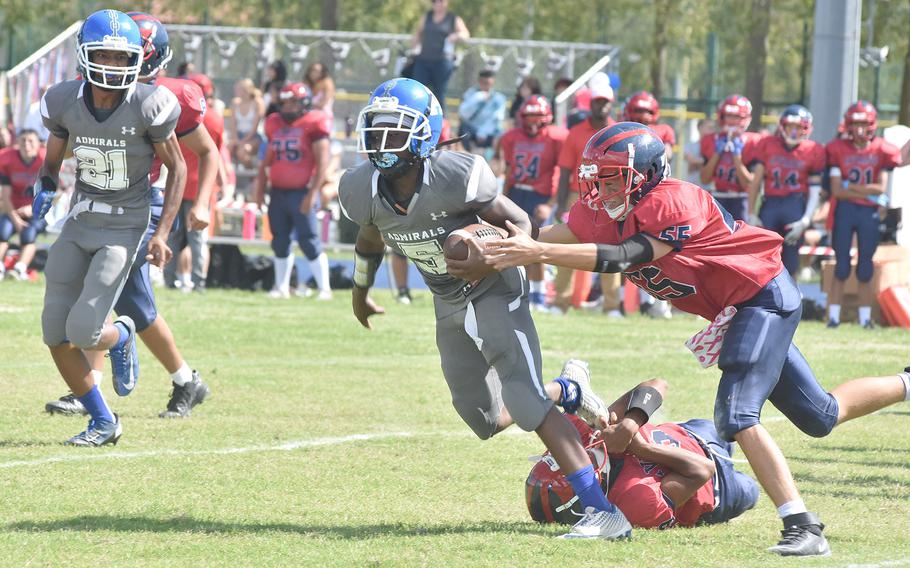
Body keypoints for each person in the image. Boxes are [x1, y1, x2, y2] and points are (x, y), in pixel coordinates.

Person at [483, 121, 910, 556]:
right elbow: (536, 238)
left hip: (761, 296)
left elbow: (624, 257)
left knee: (737, 415)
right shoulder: (598, 214)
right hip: (733, 311)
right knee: (820, 415)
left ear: (644, 175)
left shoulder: (673, 200)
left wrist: (537, 252)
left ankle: (803, 526)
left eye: (611, 178)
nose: (600, 190)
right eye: (595, 178)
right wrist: (487, 239)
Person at [339, 77, 633, 540]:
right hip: (446, 296)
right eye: (376, 129)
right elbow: (370, 236)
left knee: (525, 398)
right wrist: (359, 291)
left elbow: (518, 219)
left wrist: (496, 249)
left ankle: (603, 513)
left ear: (423, 135)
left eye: (395, 130)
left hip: (494, 285)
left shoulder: (455, 176)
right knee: (483, 420)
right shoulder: (361, 188)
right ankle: (567, 389)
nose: (381, 141)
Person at [44, 12, 214, 420]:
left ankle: (180, 378)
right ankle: (126, 380)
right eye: (107, 54)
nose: (114, 66)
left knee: (124, 298)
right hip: (94, 204)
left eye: (125, 57)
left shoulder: (165, 99)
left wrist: (203, 202)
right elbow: (71, 148)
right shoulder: (77, 97)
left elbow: (203, 154)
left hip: (144, 203)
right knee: (116, 298)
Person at [528, 378, 758, 529]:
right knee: (753, 490)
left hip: (692, 432)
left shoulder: (577, 435)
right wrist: (643, 449)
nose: (574, 455)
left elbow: (657, 384)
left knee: (733, 420)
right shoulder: (634, 505)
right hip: (719, 489)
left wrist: (631, 422)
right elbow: (702, 470)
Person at [825, 101, 901, 329]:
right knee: (841, 265)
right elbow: (837, 191)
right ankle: (833, 318)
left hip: (867, 213)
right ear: (848, 124)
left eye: (863, 123)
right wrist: (867, 190)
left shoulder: (881, 149)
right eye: (855, 123)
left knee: (866, 266)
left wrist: (852, 187)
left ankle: (866, 319)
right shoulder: (837, 148)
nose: (859, 128)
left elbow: (881, 188)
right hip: (846, 211)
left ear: (871, 125)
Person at [254, 82, 332, 300]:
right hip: (278, 192)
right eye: (285, 102)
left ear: (304, 102)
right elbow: (265, 162)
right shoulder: (274, 123)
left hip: (302, 191)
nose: (288, 107)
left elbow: (322, 163)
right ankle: (281, 287)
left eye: (293, 102)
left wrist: (311, 194)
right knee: (279, 240)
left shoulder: (314, 123)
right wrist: (260, 190)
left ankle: (324, 288)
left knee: (308, 240)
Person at [553, 79, 616, 316]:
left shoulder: (617, 131)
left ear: (611, 104)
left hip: (611, 195)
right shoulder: (576, 133)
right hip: (577, 195)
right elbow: (566, 169)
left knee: (613, 249)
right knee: (566, 248)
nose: (601, 107)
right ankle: (561, 302)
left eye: (605, 102)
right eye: (597, 101)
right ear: (590, 103)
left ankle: (611, 305)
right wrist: (561, 205)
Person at [497, 95, 567, 310]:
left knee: (535, 244)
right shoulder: (511, 137)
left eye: (537, 116)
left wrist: (550, 203)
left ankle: (538, 294)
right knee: (510, 243)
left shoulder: (556, 138)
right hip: (516, 194)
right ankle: (517, 292)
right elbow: (508, 170)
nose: (532, 121)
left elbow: (561, 171)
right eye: (528, 116)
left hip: (540, 197)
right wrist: (504, 196)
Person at [747, 105, 825, 277]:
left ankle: (791, 301)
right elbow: (756, 181)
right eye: (791, 127)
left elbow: (815, 190)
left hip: (795, 205)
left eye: (799, 127)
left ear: (806, 128)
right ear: (782, 126)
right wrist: (751, 212)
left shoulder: (814, 150)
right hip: (770, 204)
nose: (794, 132)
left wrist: (806, 219)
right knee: (764, 257)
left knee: (791, 261)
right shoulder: (767, 144)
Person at [163, 71, 224, 293]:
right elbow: (217, 152)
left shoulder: (172, 112)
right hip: (199, 184)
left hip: (178, 182)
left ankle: (170, 279)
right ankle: (199, 282)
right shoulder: (215, 118)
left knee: (173, 235)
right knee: (197, 239)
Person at [700, 94, 762, 221]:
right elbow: (705, 179)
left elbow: (748, 183)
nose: (732, 120)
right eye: (729, 116)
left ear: (745, 118)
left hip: (741, 198)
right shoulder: (711, 140)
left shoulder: (753, 142)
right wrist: (716, 154)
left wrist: (737, 157)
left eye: (737, 116)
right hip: (717, 196)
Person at [0, 129, 46, 280]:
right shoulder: (7, 159)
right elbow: (5, 196)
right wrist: (16, 219)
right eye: (23, 140)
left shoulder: (45, 159)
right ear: (17, 143)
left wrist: (33, 208)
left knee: (29, 233)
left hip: (38, 210)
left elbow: (54, 193)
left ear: (39, 143)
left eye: (31, 141)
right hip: (13, 210)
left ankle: (19, 269)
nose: (26, 144)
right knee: (3, 231)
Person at [410, 0, 469, 112]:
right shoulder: (427, 16)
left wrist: (456, 36)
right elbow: (417, 34)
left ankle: (440, 123)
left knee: (439, 93)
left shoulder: (453, 18)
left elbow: (465, 34)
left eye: (441, 1)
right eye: (435, 1)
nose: (438, 3)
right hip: (423, 60)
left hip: (442, 62)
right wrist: (413, 48)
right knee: (418, 89)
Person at [457, 70, 507, 157]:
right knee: (463, 128)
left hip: (489, 132)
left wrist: (482, 133)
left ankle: (494, 158)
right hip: (471, 130)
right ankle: (465, 156)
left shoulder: (499, 98)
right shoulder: (471, 94)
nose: (486, 85)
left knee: (500, 134)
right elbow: (463, 113)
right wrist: (477, 98)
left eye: (488, 83)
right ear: (479, 81)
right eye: (483, 82)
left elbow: (496, 119)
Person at [229, 78, 266, 170]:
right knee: (227, 149)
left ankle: (252, 178)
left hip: (254, 137)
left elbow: (255, 128)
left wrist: (243, 141)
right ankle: (229, 179)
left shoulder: (257, 103)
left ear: (246, 90)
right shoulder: (235, 103)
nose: (236, 91)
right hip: (239, 136)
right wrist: (235, 139)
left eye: (239, 89)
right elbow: (233, 124)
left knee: (243, 152)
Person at [684, 119, 714, 187]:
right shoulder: (690, 145)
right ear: (699, 128)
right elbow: (692, 161)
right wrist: (707, 161)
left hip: (707, 187)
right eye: (709, 128)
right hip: (692, 185)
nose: (712, 131)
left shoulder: (715, 147)